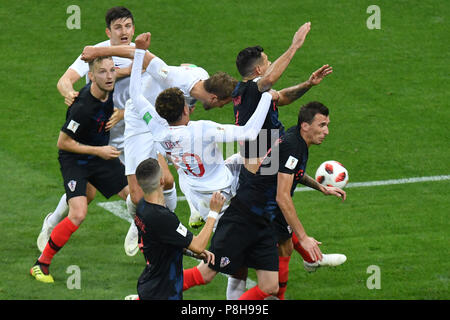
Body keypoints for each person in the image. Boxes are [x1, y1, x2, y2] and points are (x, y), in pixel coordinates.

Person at [34, 7, 176, 255]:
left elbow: (151, 95)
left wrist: (123, 112)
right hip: (99, 139)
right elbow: (64, 81)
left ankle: (138, 227)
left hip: (132, 135)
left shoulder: (141, 55)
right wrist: (69, 93)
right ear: (108, 31)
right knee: (85, 194)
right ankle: (53, 221)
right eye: (118, 27)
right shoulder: (96, 55)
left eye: (129, 26)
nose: (125, 32)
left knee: (147, 187)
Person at [81, 33, 238, 255]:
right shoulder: (174, 78)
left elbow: (188, 67)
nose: (224, 107)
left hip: (167, 124)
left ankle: (177, 225)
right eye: (225, 102)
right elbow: (143, 56)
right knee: (136, 195)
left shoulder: (200, 77)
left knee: (168, 178)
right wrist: (99, 52)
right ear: (214, 98)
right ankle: (138, 222)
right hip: (142, 119)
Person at [183, 102, 346, 300]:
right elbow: (282, 197)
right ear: (306, 125)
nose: (327, 131)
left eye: (327, 125)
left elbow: (290, 172)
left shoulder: (297, 140)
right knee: (206, 274)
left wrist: (320, 187)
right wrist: (303, 237)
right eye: (322, 125)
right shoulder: (293, 146)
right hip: (243, 218)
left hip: (263, 223)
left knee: (270, 286)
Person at [128, 33, 276, 228]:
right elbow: (249, 132)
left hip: (199, 192)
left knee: (224, 164)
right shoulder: (202, 130)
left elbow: (135, 95)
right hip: (224, 190)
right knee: (265, 162)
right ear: (185, 110)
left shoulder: (157, 129)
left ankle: (196, 211)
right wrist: (266, 96)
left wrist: (139, 51)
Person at [30, 56, 130, 283]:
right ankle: (41, 264)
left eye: (112, 71)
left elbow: (129, 73)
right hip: (76, 159)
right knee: (78, 213)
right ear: (91, 77)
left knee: (136, 199)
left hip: (99, 154)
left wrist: (121, 112)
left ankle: (152, 260)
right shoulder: (82, 107)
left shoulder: (108, 89)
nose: (109, 76)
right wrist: (99, 152)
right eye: (102, 72)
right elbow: (63, 142)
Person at [133, 158, 225, 300]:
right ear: (162, 181)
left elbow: (165, 240)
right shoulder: (162, 218)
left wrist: (192, 253)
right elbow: (199, 245)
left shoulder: (142, 207)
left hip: (151, 285)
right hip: (163, 293)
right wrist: (213, 212)